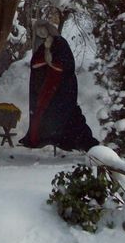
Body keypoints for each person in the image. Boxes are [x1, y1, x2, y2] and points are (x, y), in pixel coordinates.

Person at [19, 21, 99, 151]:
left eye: (42, 29)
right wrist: (45, 62)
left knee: (67, 115)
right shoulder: (42, 47)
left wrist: (52, 64)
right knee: (45, 114)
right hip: (47, 88)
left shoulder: (60, 43)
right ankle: (46, 138)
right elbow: (35, 62)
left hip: (61, 88)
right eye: (38, 31)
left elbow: (66, 64)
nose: (41, 33)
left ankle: (71, 140)